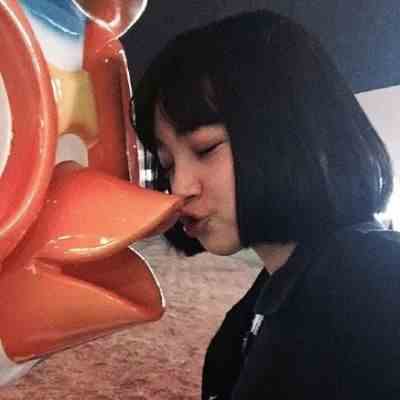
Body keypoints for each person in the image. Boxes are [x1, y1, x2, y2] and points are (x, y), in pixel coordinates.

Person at [133, 9, 400, 399]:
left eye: (205, 148)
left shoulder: (378, 285)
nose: (180, 187)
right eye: (168, 164)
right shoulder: (273, 292)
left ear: (291, 131)